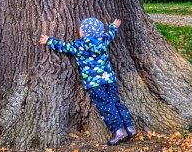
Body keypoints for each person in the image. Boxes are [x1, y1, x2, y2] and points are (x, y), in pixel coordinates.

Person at [39, 16, 136, 145]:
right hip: (109, 79)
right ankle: (129, 127)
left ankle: (118, 130)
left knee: (106, 106)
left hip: (95, 83)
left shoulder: (79, 45)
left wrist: (49, 40)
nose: (79, 30)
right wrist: (113, 27)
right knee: (115, 102)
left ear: (84, 32)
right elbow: (110, 34)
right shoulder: (103, 40)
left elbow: (63, 47)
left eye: (81, 29)